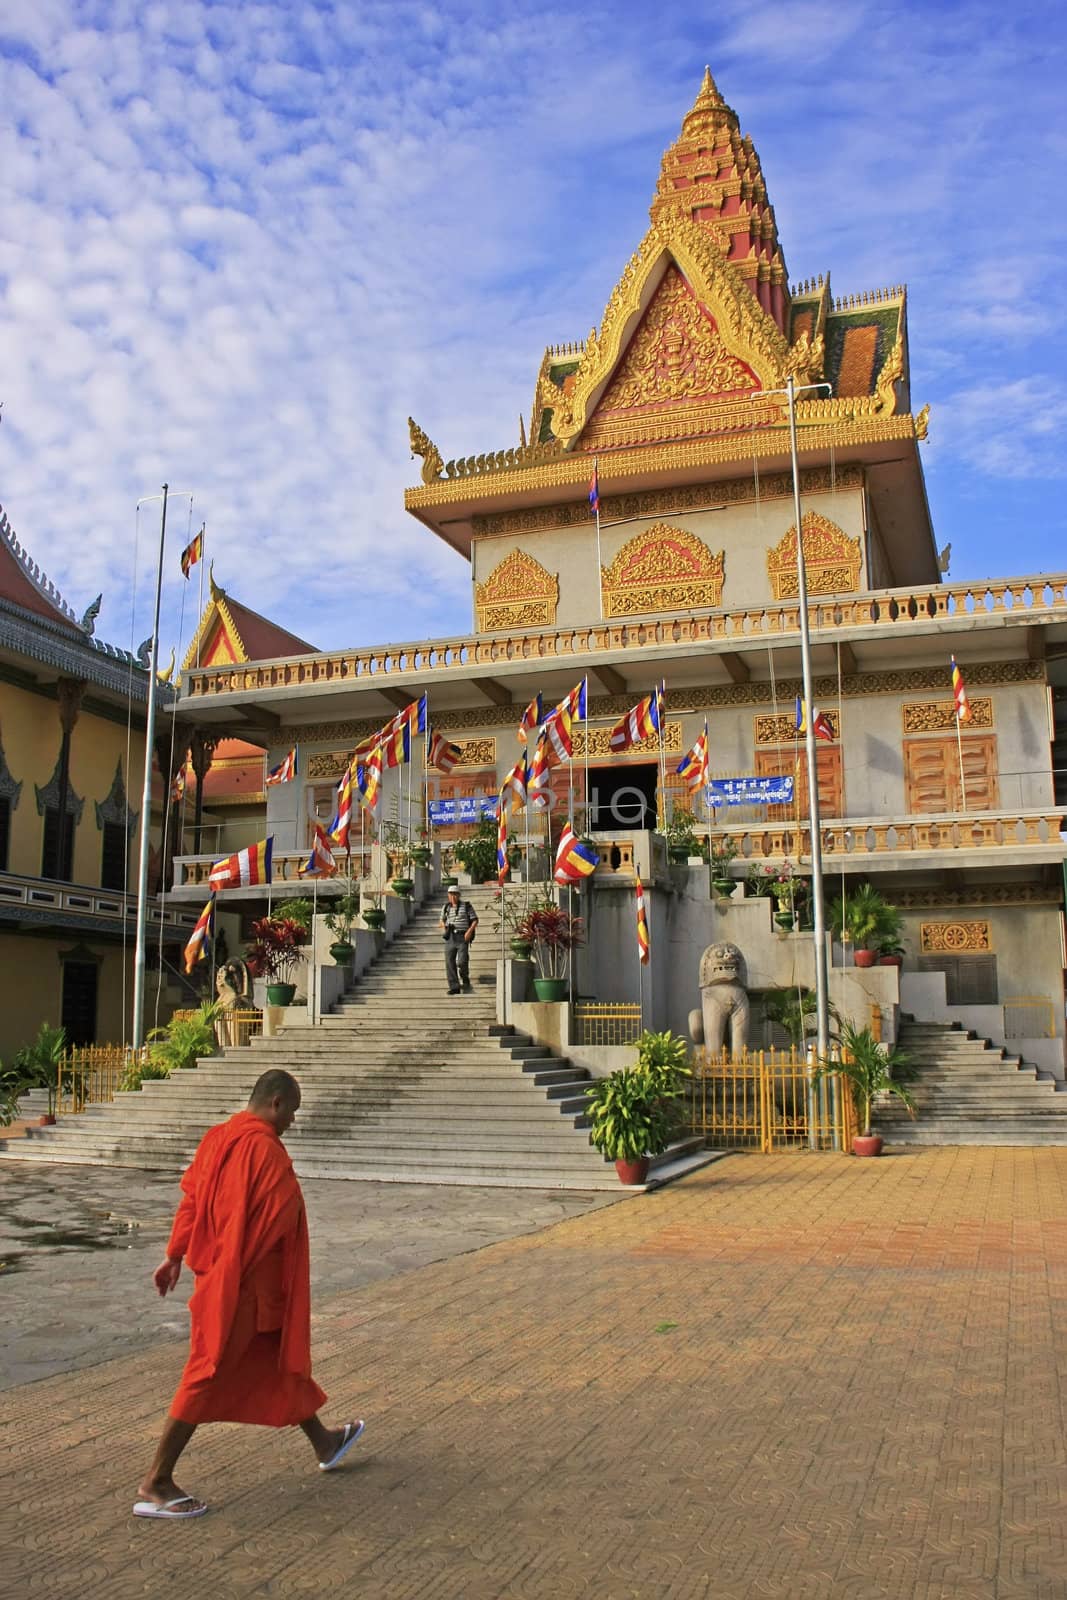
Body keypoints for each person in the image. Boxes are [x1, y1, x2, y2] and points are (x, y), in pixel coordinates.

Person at [134, 1068, 363, 1519]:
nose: (292, 1123)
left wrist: (175, 1254)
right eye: (292, 1113)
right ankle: (157, 1480)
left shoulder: (218, 1138)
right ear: (275, 1103)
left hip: (225, 1278)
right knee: (207, 1370)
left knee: (276, 1360)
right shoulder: (266, 1151)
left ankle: (325, 1440)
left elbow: (192, 1201)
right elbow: (279, 1223)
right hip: (244, 1287)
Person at [440, 884, 478, 995]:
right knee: (449, 961)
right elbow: (441, 920)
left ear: (459, 895)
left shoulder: (466, 906)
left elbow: (475, 920)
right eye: (451, 894)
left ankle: (464, 976)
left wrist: (469, 932)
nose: (453, 897)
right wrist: (445, 927)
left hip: (463, 936)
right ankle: (454, 986)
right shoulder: (446, 907)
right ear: (448, 895)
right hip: (451, 936)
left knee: (462, 961)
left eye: (455, 894)